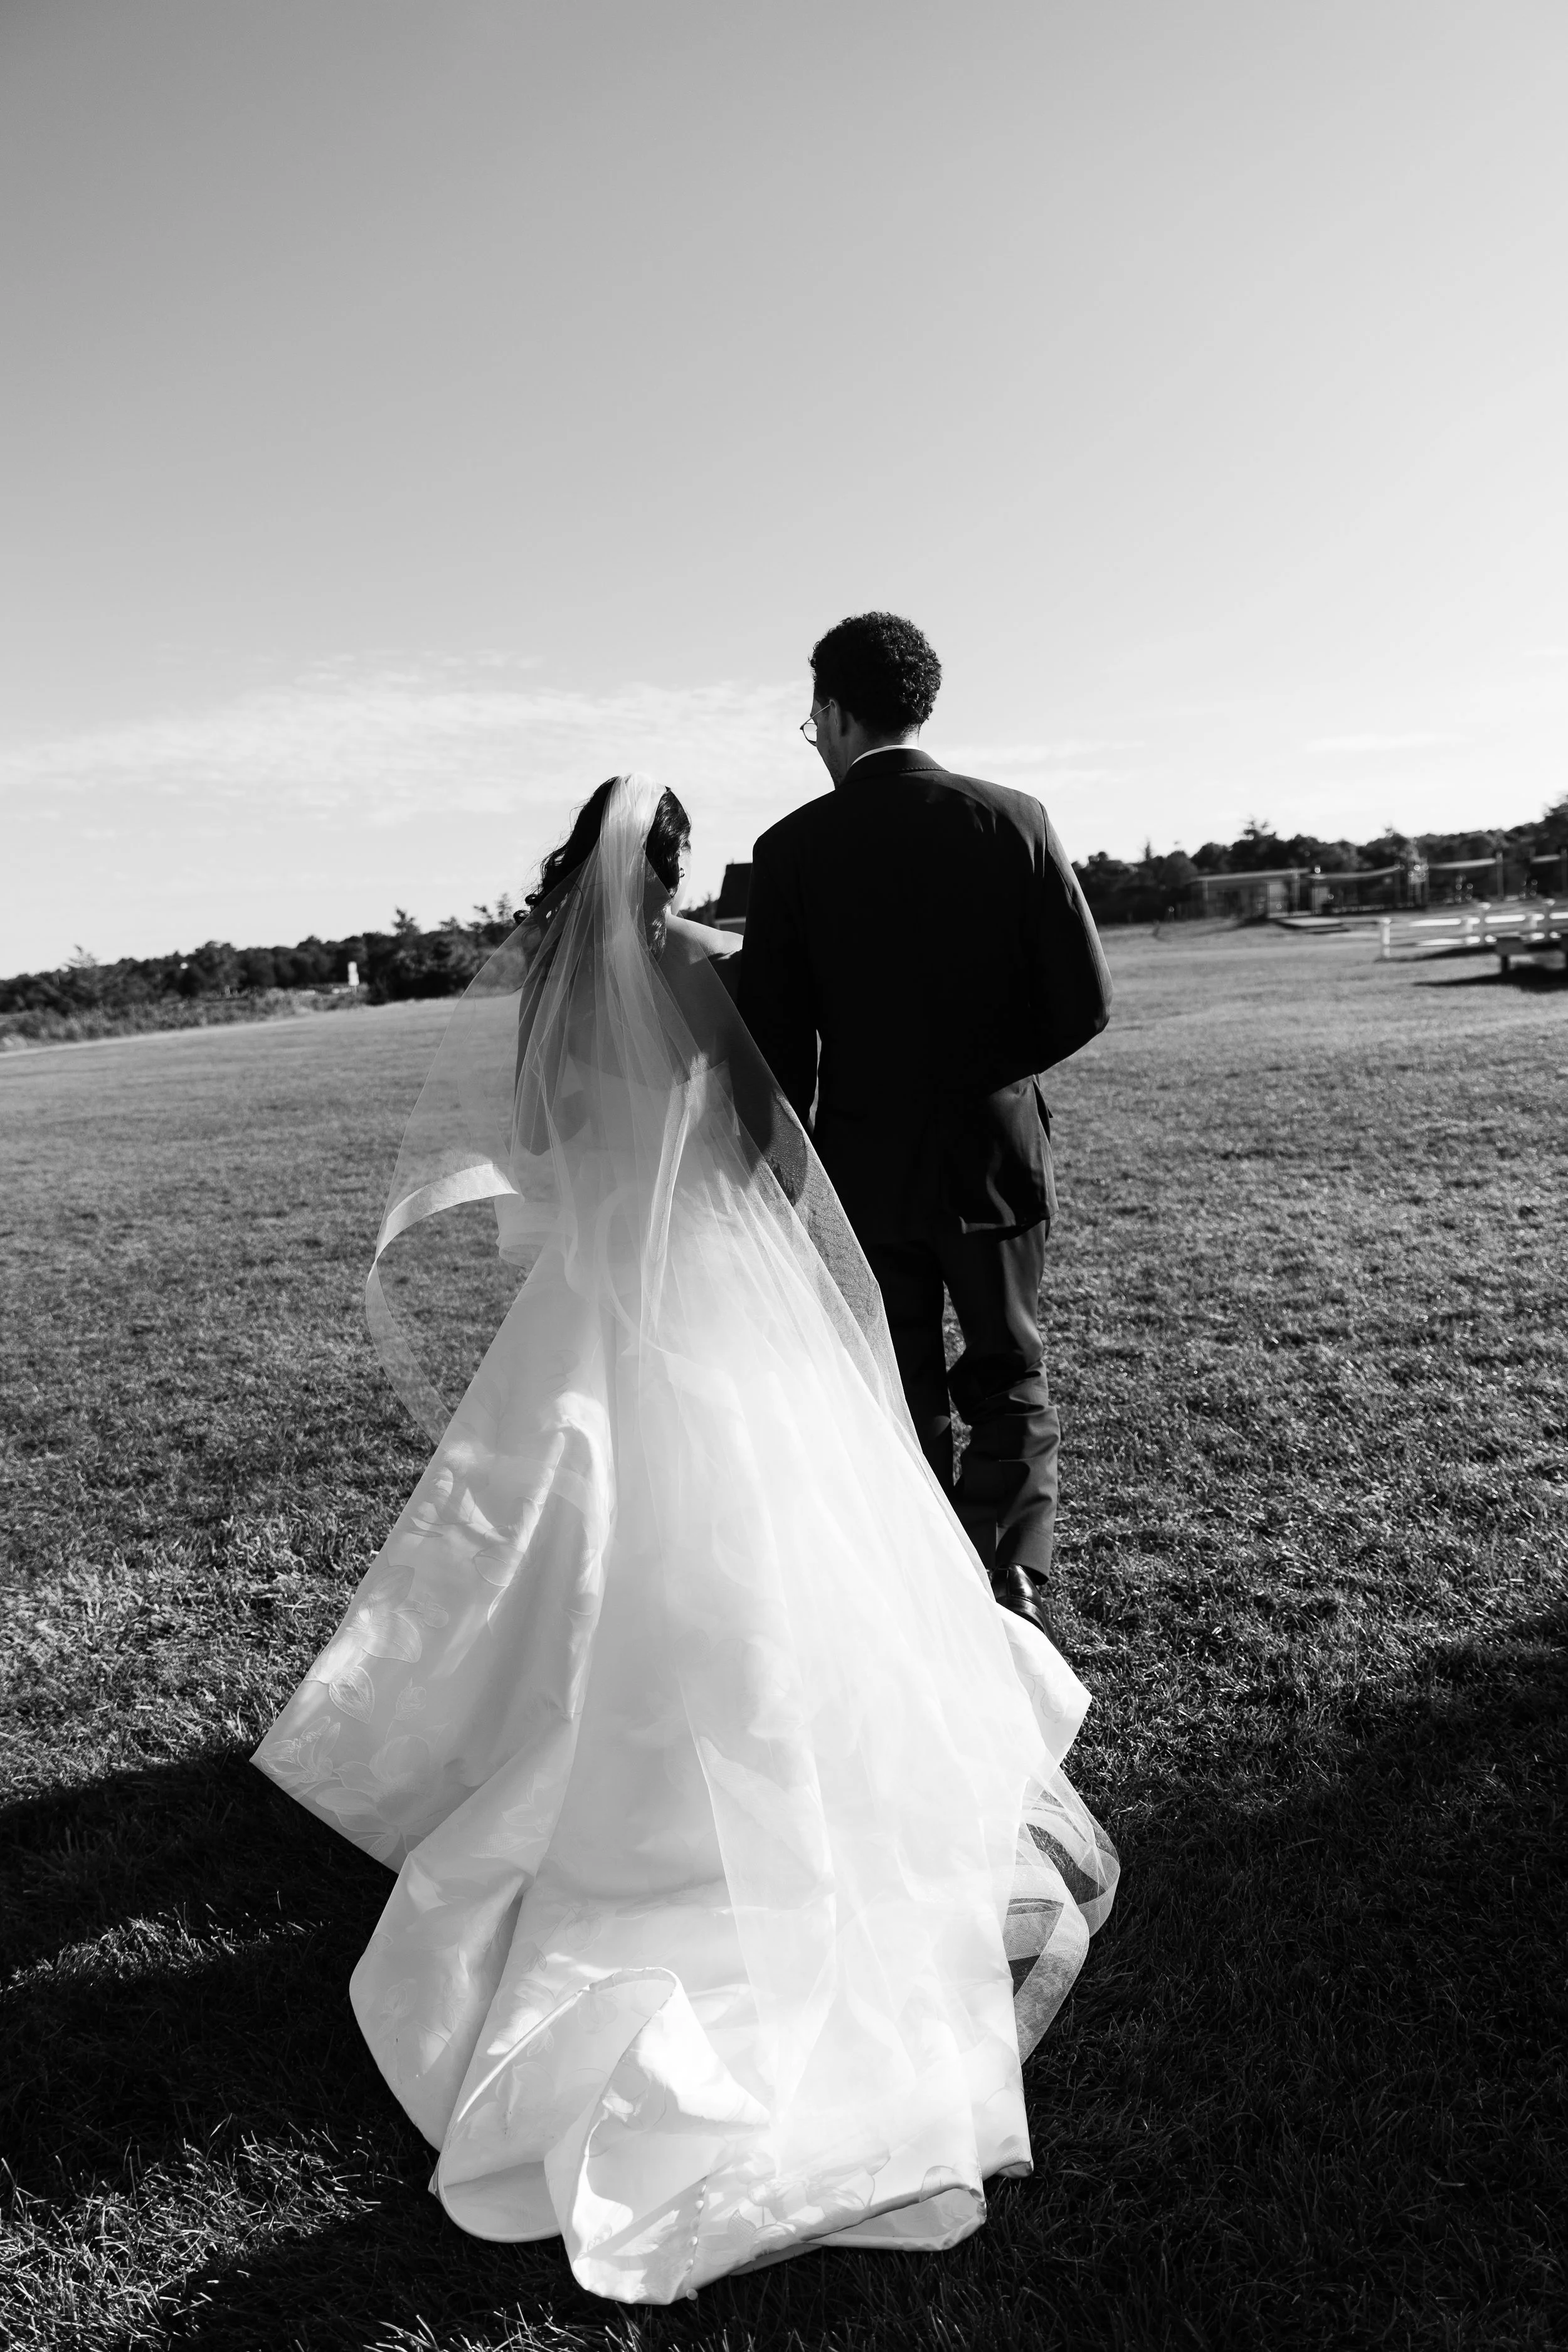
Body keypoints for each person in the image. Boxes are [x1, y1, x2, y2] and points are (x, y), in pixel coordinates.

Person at [254, 773, 1115, 2303]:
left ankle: (540, 1739)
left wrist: (615, 1191)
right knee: (761, 1512)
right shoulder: (695, 973)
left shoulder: (548, 985)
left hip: (592, 1282)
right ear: (673, 864)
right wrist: (744, 1222)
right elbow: (770, 1140)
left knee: (566, 1524)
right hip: (707, 1273)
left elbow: (531, 1134)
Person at [740, 615, 1111, 1650]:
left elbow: (774, 1044)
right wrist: (984, 1076)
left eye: (811, 715)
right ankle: (1014, 1576)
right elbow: (1083, 1001)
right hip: (996, 1153)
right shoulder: (1016, 819)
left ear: (838, 711)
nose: (811, 735)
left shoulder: (791, 851)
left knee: (898, 1384)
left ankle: (931, 1573)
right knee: (1009, 1369)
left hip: (860, 1164)